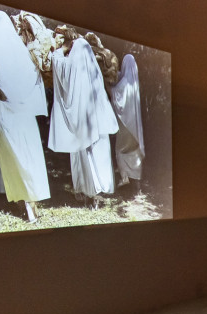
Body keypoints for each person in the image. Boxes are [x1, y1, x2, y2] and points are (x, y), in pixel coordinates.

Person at [0, 11, 51, 223]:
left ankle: (27, 203)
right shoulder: (17, 47)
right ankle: (31, 202)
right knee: (28, 152)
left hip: (4, 105)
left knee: (14, 153)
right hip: (22, 107)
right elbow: (32, 72)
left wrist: (5, 93)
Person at [48, 27, 120, 206]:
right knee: (98, 155)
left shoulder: (71, 66)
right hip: (98, 122)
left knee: (83, 155)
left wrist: (63, 48)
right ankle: (96, 195)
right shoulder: (94, 72)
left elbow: (57, 62)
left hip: (81, 123)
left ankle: (87, 193)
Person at [109, 54, 145, 191]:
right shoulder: (134, 82)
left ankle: (125, 178)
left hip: (125, 125)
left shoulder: (125, 83)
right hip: (135, 125)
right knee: (134, 150)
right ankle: (136, 183)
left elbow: (116, 96)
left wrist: (108, 86)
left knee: (121, 148)